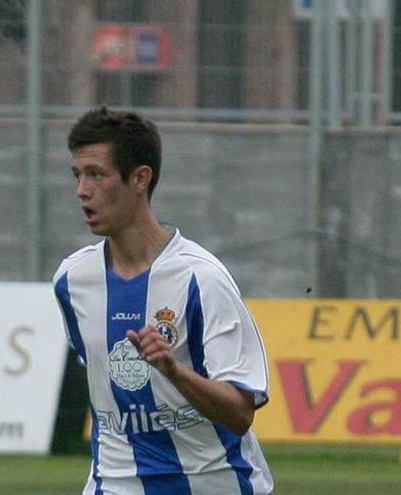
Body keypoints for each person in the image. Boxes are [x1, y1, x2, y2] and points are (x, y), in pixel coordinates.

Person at [53, 108, 273, 495]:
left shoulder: (201, 279)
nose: (82, 190)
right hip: (115, 484)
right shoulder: (71, 281)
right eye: (78, 175)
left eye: (96, 175)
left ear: (140, 178)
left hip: (211, 485)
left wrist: (174, 372)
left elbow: (239, 413)